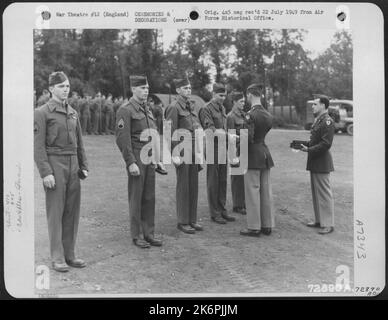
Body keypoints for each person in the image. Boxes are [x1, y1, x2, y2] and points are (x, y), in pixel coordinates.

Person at [34, 71, 89, 272]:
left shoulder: (73, 112)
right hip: (55, 163)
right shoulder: (42, 112)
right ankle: (57, 257)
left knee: (72, 212)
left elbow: (80, 142)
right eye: (61, 86)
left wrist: (84, 165)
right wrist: (45, 172)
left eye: (67, 86)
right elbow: (38, 147)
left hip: (73, 163)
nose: (65, 89)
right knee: (56, 213)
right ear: (51, 89)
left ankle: (70, 254)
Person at [115, 75, 166, 249]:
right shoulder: (126, 110)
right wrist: (131, 162)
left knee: (149, 197)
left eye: (147, 88)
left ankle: (149, 233)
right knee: (136, 197)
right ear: (133, 89)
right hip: (137, 156)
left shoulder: (147, 109)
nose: (146, 91)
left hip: (149, 157)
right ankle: (136, 235)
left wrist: (157, 159)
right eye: (142, 88)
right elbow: (123, 139)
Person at [165, 77, 203, 234]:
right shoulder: (174, 107)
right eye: (185, 88)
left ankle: (192, 219)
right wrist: (174, 154)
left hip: (193, 149)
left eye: (189, 87)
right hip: (181, 149)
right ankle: (183, 221)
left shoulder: (190, 107)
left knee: (193, 186)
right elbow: (168, 132)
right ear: (178, 90)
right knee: (184, 186)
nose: (189, 90)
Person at [240, 83, 274, 237]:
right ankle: (267, 225)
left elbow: (247, 138)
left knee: (252, 190)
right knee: (265, 191)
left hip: (253, 155)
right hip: (265, 154)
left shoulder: (250, 115)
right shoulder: (267, 114)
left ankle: (254, 227)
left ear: (249, 95)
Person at [199, 83, 236, 224]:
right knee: (213, 181)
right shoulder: (206, 109)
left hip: (222, 147)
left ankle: (222, 210)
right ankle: (214, 213)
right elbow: (211, 130)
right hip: (212, 147)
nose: (223, 98)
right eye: (220, 95)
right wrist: (228, 136)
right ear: (213, 94)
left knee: (222, 180)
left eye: (224, 95)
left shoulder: (222, 108)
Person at [300, 94, 335, 234]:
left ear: (323, 105)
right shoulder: (319, 120)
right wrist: (303, 145)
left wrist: (309, 149)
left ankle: (328, 224)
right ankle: (319, 220)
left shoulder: (327, 121)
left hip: (322, 161)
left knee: (324, 193)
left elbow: (326, 144)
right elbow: (315, 140)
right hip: (315, 160)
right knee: (316, 193)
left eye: (315, 104)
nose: (313, 106)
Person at [226, 91, 246, 215]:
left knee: (244, 178)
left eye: (244, 101)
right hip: (236, 150)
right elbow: (230, 137)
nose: (244, 103)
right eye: (241, 101)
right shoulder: (231, 117)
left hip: (245, 149)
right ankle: (238, 205)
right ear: (234, 102)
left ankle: (243, 203)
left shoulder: (244, 115)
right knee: (237, 178)